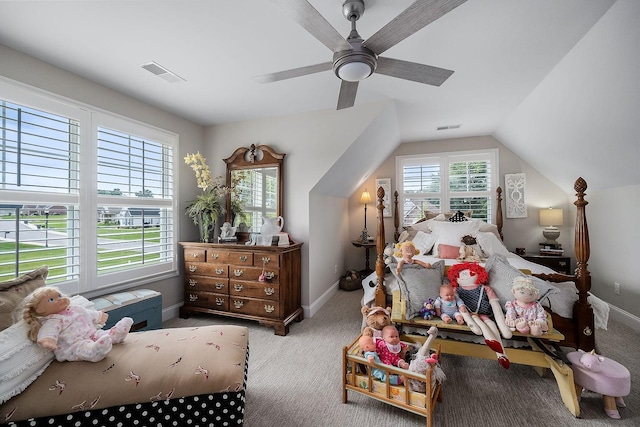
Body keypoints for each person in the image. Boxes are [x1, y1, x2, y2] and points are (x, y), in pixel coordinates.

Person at [22, 286, 133, 362]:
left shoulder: (75, 308)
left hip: (91, 334)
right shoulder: (54, 320)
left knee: (101, 334)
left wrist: (98, 316)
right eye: (52, 300)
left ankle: (115, 334)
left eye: (59, 296)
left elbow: (87, 314)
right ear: (40, 309)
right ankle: (95, 351)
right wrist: (48, 340)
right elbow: (49, 330)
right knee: (84, 347)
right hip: (73, 345)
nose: (60, 300)